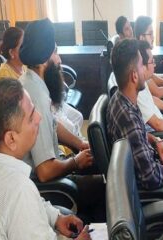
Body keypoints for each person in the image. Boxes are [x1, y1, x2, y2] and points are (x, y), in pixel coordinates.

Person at [0, 79, 91, 240]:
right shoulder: (18, 191)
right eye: (31, 117)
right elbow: (21, 204)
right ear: (11, 138)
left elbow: (30, 206)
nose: (38, 118)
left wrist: (56, 217)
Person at [19, 18, 105, 221]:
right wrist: (75, 162)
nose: (59, 59)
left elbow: (52, 125)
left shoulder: (32, 81)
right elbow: (45, 171)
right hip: (47, 186)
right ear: (42, 61)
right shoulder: (36, 96)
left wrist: (80, 144)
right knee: (108, 186)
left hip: (57, 165)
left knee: (102, 160)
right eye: (55, 52)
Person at [107, 39, 163, 190]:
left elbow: (138, 137)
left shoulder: (122, 99)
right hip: (151, 189)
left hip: (150, 163)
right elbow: (151, 177)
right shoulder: (128, 117)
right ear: (134, 76)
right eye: (141, 65)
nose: (145, 70)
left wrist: (156, 141)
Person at [0, 26, 84, 140]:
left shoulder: (25, 66)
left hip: (45, 103)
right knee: (70, 128)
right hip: (30, 115)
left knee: (77, 117)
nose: (26, 49)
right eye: (22, 47)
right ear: (12, 52)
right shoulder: (4, 76)